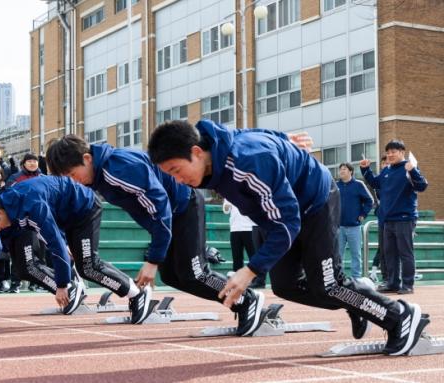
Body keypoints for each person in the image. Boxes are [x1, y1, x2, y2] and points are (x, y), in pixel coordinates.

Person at [147, 119, 429, 356]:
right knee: (286, 286)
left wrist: (251, 270)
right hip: (283, 213)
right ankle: (359, 299)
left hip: (315, 201)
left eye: (176, 171)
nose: (178, 180)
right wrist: (284, 139)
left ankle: (399, 317)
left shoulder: (247, 163)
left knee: (329, 285)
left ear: (197, 152)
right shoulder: (219, 150)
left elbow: (288, 223)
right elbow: (249, 134)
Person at [45, 135, 264, 336]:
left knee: (194, 273)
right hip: (170, 217)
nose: (74, 182)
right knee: (171, 276)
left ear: (87, 159)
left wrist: (153, 259)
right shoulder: (101, 174)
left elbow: (160, 205)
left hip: (183, 206)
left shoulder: (119, 168)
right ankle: (239, 298)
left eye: (73, 175)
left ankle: (246, 300)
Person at [0, 176, 153, 323]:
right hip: (66, 216)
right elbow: (47, 235)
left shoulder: (31, 205)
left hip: (85, 208)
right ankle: (84, 286)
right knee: (82, 264)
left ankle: (138, 295)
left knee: (88, 266)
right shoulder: (11, 206)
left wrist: (62, 285)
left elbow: (54, 243)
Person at [361, 140, 428, 295]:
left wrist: (412, 171)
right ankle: (392, 283)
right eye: (388, 152)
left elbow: (422, 186)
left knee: (405, 253)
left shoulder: (408, 167)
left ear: (401, 152)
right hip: (387, 219)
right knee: (389, 253)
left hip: (404, 218)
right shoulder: (387, 170)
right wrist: (365, 169)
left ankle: (408, 284)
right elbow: (375, 183)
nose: (390, 155)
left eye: (393, 152)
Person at [336, 163, 373, 279]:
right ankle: (338, 277)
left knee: (356, 255)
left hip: (354, 227)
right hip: (338, 227)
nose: (341, 171)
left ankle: (356, 278)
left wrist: (363, 214)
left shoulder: (358, 185)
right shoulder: (335, 185)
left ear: (350, 171)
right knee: (337, 255)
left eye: (344, 169)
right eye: (340, 169)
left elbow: (369, 201)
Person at [222, 199, 266, 288]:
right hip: (234, 228)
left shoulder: (247, 189)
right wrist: (228, 205)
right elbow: (225, 210)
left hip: (249, 227)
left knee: (253, 256)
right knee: (236, 256)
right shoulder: (228, 191)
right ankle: (237, 281)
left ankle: (257, 281)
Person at [369, 156, 389, 285]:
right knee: (382, 247)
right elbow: (380, 197)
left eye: (388, 162)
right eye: (383, 162)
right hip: (383, 215)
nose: (386, 164)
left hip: (396, 217)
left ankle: (375, 271)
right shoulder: (379, 180)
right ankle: (376, 272)